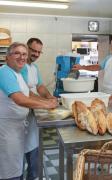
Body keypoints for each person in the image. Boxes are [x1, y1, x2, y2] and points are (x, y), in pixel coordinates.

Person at [0, 42, 57, 180]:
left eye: (24, 54)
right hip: (7, 129)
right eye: (17, 53)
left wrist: (47, 101)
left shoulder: (17, 73)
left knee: (16, 167)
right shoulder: (4, 72)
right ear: (7, 57)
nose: (22, 57)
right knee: (10, 171)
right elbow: (20, 99)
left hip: (17, 128)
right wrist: (46, 106)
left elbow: (28, 94)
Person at [21, 38, 57, 180]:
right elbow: (25, 92)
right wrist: (45, 103)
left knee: (32, 145)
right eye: (33, 50)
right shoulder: (20, 66)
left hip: (31, 113)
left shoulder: (34, 68)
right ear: (27, 48)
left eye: (38, 52)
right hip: (20, 114)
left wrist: (50, 97)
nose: (36, 54)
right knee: (21, 151)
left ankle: (32, 174)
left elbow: (40, 86)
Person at [72, 33, 112, 112]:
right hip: (105, 93)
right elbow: (97, 67)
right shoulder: (109, 58)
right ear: (111, 43)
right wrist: (82, 67)